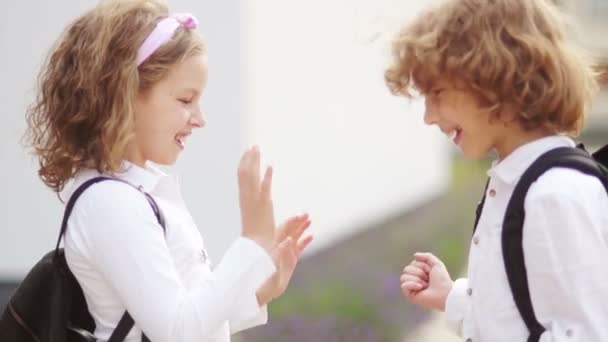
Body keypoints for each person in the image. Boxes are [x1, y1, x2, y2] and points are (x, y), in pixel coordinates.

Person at [25, 1, 313, 341]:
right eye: (185, 99)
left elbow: (179, 319)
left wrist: (257, 291)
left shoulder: (131, 193)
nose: (200, 118)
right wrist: (251, 242)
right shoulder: (110, 204)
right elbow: (177, 331)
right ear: (126, 94)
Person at [385, 0, 608, 341]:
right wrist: (453, 298)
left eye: (438, 93)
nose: (428, 115)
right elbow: (519, 320)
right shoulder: (519, 183)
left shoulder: (553, 195)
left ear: (496, 79)